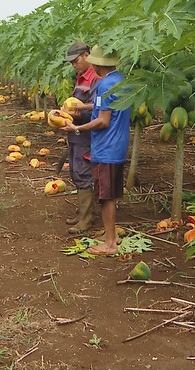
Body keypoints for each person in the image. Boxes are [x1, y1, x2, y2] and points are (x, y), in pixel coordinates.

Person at [61, 46, 131, 255]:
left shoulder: (104, 85)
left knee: (105, 197)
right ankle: (112, 234)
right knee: (111, 194)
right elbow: (106, 108)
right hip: (118, 145)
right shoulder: (120, 80)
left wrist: (76, 128)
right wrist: (83, 108)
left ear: (97, 63)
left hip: (105, 148)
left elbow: (102, 120)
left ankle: (109, 244)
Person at [61, 41, 101, 234]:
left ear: (86, 55)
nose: (74, 65)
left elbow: (98, 108)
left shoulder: (96, 79)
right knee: (76, 171)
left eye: (75, 61)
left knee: (84, 173)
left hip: (87, 134)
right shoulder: (80, 77)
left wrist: (77, 113)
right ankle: (82, 213)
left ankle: (86, 219)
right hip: (76, 133)